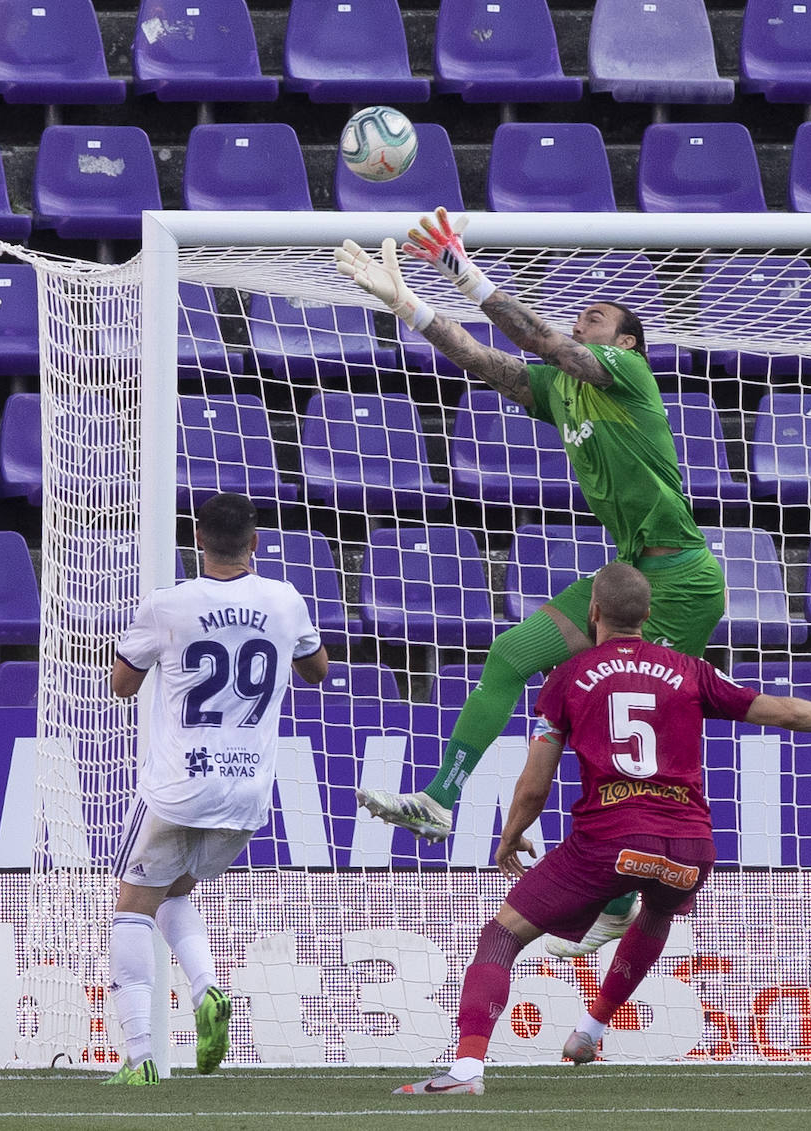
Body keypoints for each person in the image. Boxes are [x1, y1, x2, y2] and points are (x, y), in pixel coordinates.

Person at [335, 208, 726, 957]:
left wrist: (458, 266)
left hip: (683, 578)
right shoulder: (563, 389)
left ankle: (620, 892)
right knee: (513, 654)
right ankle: (440, 800)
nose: (586, 318)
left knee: (609, 716)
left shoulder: (627, 375)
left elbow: (541, 339)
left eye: (601, 316)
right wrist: (407, 305)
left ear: (628, 343)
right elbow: (493, 362)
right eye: (584, 312)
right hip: (629, 574)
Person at [394, 563, 811, 1094]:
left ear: (592, 613)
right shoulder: (691, 669)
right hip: (689, 845)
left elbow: (534, 783)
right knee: (657, 911)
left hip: (609, 839)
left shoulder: (567, 678)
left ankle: (467, 1070)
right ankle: (590, 1031)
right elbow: (785, 713)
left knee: (501, 936)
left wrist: (512, 832)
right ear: (649, 613)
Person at [103, 492, 329, 1085]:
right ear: (255, 542)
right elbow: (318, 670)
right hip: (247, 793)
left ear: (197, 540)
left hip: (180, 786)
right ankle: (207, 989)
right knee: (175, 893)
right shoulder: (284, 601)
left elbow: (122, 685)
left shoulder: (168, 606)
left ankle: (142, 1058)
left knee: (130, 909)